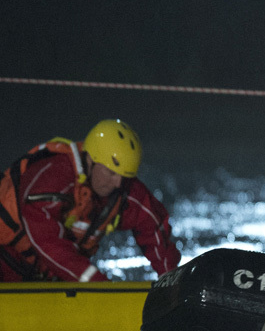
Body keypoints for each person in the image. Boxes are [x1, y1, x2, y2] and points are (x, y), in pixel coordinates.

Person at [0, 119, 180, 282]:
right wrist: (95, 283)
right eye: (111, 173)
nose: (117, 183)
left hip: (48, 277)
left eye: (124, 176)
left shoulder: (122, 189)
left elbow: (153, 225)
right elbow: (47, 240)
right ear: (89, 159)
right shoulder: (52, 176)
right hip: (6, 261)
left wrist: (170, 280)